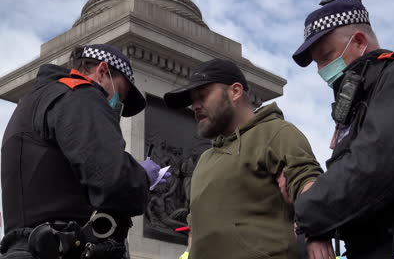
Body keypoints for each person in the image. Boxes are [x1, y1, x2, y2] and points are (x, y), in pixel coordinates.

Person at [291, 0, 394, 259]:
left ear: (358, 42)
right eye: (317, 63)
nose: (322, 70)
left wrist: (306, 214)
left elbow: (373, 165)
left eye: (326, 56)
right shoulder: (360, 99)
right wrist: (315, 230)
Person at [0, 44, 166, 258]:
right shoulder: (82, 95)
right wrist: (142, 176)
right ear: (102, 71)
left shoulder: (34, 101)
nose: (117, 103)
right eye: (120, 94)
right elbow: (113, 180)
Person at [164, 59, 330, 259]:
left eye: (203, 96)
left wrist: (318, 232)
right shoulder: (205, 159)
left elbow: (307, 180)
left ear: (235, 91)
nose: (195, 106)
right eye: (193, 100)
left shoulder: (276, 133)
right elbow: (196, 228)